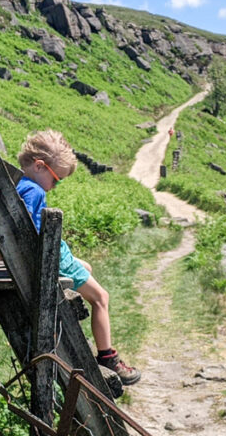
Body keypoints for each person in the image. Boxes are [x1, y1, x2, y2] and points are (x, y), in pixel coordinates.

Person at [15, 129, 141, 385]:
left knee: (87, 266)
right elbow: (23, 230)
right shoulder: (35, 192)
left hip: (56, 255)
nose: (55, 186)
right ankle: (108, 356)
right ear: (40, 166)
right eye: (56, 179)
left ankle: (90, 326)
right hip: (54, 259)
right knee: (101, 298)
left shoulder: (22, 184)